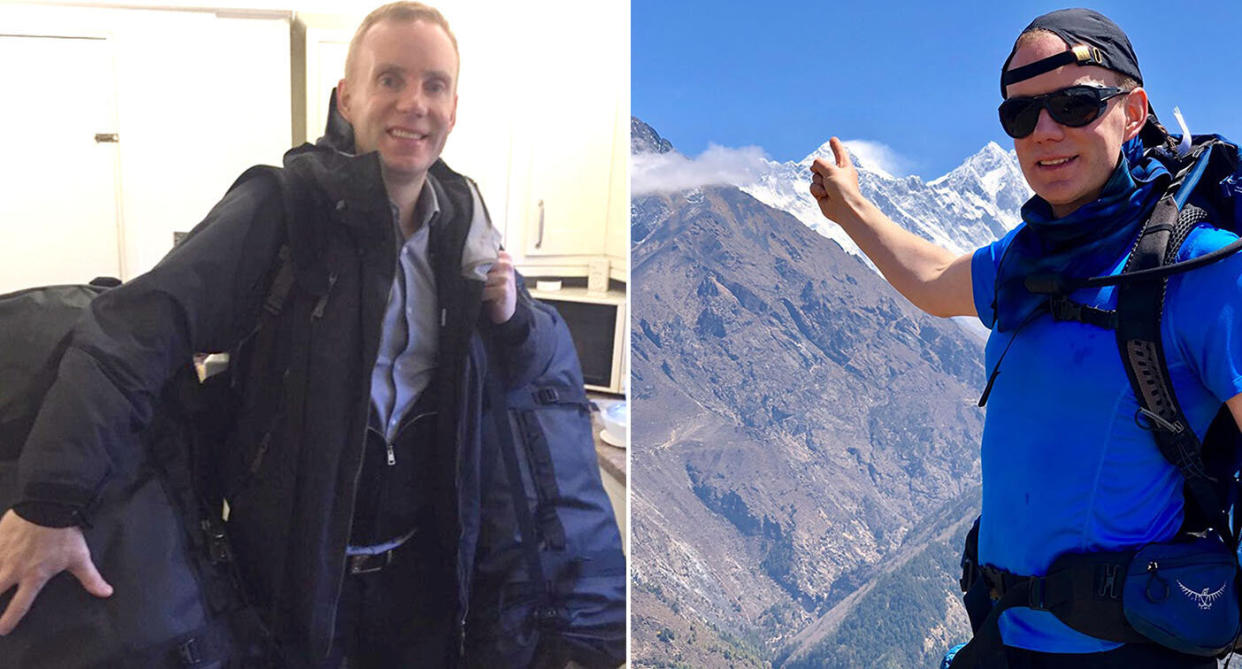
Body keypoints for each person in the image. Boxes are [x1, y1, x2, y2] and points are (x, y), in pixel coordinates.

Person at [0, 2, 557, 667]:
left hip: (424, 588)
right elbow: (131, 331)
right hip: (291, 589)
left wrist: (512, 317)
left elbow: (512, 382)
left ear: (454, 106)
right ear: (347, 97)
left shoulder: (463, 218)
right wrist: (50, 503)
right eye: (390, 79)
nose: (414, 102)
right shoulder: (285, 207)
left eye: (434, 85)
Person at [808, 8, 1241, 669]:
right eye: (1021, 114)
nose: (1045, 131)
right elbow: (933, 280)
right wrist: (850, 211)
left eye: (1075, 104)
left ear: (1134, 111)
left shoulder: (1202, 270)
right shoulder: (1029, 260)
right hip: (1007, 640)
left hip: (1130, 652)